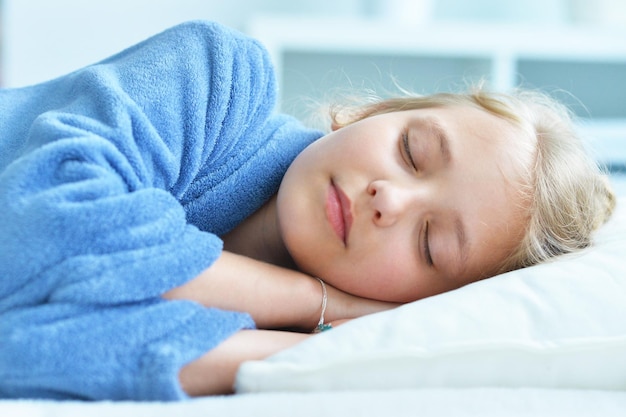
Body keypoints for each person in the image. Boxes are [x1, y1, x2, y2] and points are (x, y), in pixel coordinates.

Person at [0, 20, 615, 401]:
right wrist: (314, 301)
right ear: (370, 113)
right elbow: (36, 230)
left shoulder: (281, 345)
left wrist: (317, 339)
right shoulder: (218, 75)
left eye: (430, 244)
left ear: (417, 303)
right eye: (411, 149)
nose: (389, 198)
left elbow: (17, 344)